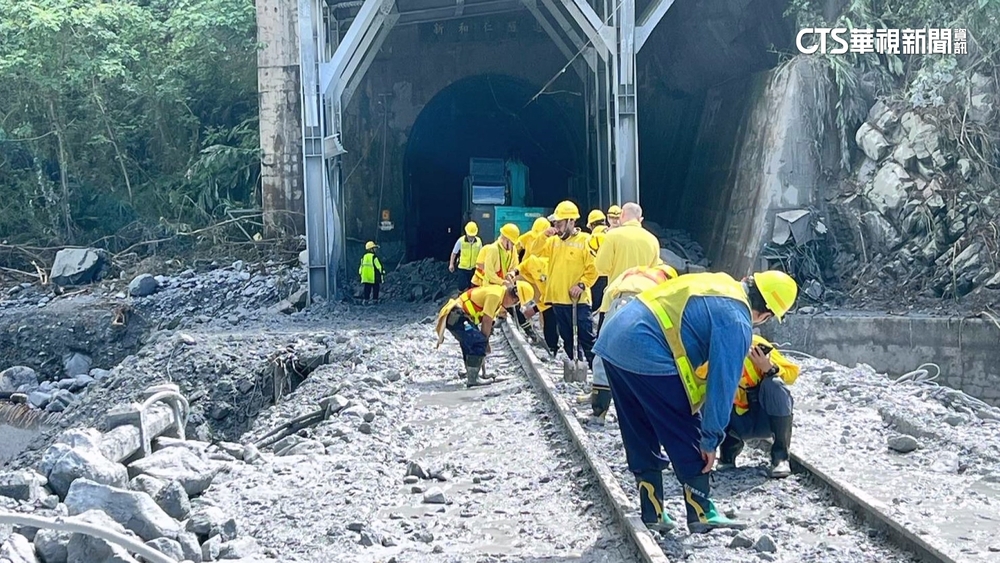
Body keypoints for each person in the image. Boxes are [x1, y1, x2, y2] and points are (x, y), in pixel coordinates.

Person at [593, 270, 798, 534]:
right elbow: (722, 385)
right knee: (684, 426)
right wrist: (711, 439)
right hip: (645, 344)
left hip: (614, 335)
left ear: (749, 279)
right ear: (765, 314)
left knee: (638, 424)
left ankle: (652, 511)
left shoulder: (720, 282)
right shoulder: (737, 319)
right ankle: (701, 512)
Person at [586, 264, 678, 423]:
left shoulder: (631, 273)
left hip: (619, 302)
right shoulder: (665, 284)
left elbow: (608, 295)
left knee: (603, 354)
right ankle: (642, 413)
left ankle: (599, 413)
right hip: (646, 308)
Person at [706, 335, 799, 478]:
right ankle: (728, 450)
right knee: (708, 394)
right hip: (734, 423)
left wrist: (769, 368)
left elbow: (792, 375)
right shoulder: (708, 350)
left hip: (764, 418)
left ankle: (780, 457)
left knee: (775, 384)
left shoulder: (756, 344)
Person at [435, 281, 534, 387]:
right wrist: (485, 343)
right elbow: (486, 321)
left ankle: (473, 373)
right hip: (456, 315)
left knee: (471, 342)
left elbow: (488, 322)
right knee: (478, 341)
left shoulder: (498, 293)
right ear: (514, 299)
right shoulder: (495, 296)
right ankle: (473, 379)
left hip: (460, 316)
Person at [543, 201, 597, 368]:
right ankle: (576, 366)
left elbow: (594, 268)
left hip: (578, 300)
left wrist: (581, 285)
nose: (556, 227)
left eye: (559, 223)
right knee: (567, 337)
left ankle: (597, 372)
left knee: (586, 336)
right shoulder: (553, 242)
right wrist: (542, 236)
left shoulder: (585, 240)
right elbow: (535, 253)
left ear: (571, 222)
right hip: (559, 298)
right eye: (555, 223)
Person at [593, 202, 660, 333]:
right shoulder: (652, 240)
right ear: (640, 219)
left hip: (614, 299)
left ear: (622, 215)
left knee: (605, 347)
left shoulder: (612, 236)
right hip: (644, 302)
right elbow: (655, 272)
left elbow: (601, 267)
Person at [514, 255, 559, 355]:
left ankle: (552, 347)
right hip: (535, 285)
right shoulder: (534, 263)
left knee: (550, 316)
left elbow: (550, 300)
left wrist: (534, 309)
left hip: (551, 299)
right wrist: (515, 271)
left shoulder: (554, 280)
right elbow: (524, 265)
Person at [586, 210, 609, 320]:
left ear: (592, 224)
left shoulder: (594, 236)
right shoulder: (611, 233)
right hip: (610, 275)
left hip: (597, 276)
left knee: (594, 305)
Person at [449, 222, 482, 291]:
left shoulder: (478, 241)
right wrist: (451, 264)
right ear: (466, 233)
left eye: (472, 236)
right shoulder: (461, 241)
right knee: (462, 287)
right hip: (463, 268)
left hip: (474, 268)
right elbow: (454, 253)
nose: (471, 237)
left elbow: (481, 254)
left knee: (473, 287)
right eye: (470, 235)